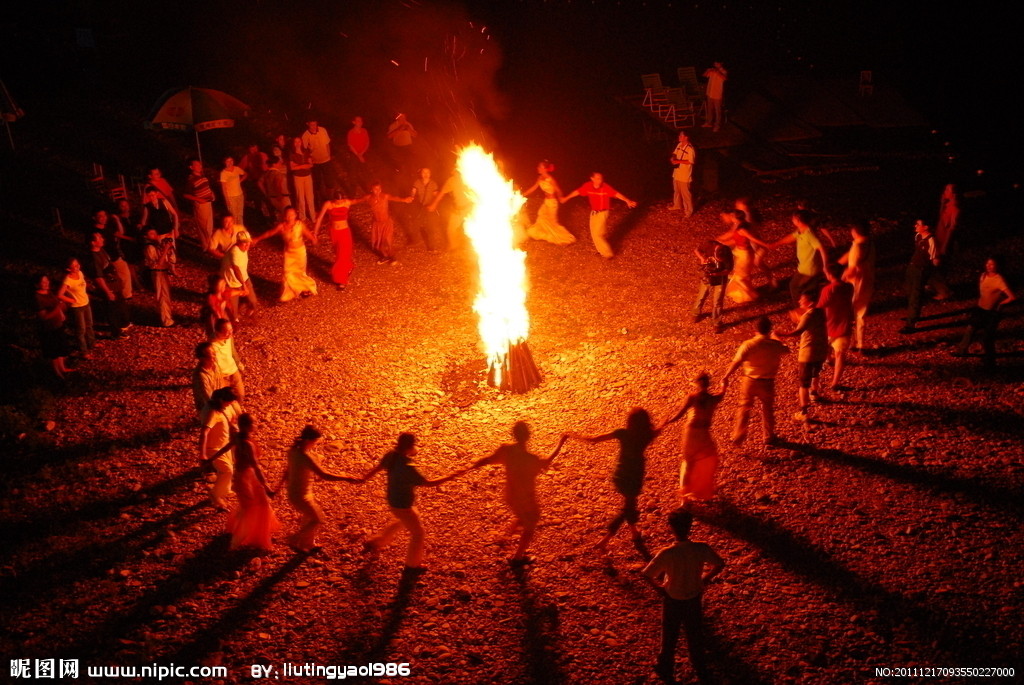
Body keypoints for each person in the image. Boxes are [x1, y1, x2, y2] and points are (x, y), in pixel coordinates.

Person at [643, 508, 724, 684]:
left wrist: (659, 589)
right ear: (690, 526)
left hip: (672, 599)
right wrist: (704, 579)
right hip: (693, 597)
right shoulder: (701, 548)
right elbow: (719, 564)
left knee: (669, 635)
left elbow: (647, 574)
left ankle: (665, 666)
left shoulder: (667, 553)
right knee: (694, 633)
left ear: (671, 528)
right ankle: (699, 666)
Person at [361, 433, 465, 571]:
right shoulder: (408, 466)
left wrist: (364, 478)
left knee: (402, 521)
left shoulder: (391, 455)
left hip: (393, 500)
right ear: (410, 447)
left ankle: (376, 542)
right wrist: (451, 476)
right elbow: (427, 483)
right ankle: (412, 565)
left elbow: (377, 468)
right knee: (418, 533)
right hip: (403, 504)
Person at [470, 422, 569, 565]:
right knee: (531, 525)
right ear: (528, 436)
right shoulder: (531, 459)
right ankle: (518, 558)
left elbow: (488, 460)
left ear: (513, 434)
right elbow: (548, 460)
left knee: (521, 516)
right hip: (526, 498)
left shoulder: (506, 450)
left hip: (510, 495)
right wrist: (561, 442)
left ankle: (507, 536)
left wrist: (473, 465)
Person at [566, 409, 660, 552]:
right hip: (634, 476)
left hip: (621, 475)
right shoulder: (646, 436)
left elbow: (594, 439)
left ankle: (634, 533)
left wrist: (574, 435)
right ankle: (604, 541)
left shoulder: (622, 433)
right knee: (627, 509)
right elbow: (657, 430)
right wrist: (665, 421)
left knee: (630, 505)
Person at [279, 425, 361, 553]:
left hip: (297, 492)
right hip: (301, 495)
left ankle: (308, 543)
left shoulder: (292, 451)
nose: (316, 444)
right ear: (308, 440)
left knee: (308, 517)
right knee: (318, 519)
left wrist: (279, 487)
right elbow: (324, 475)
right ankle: (294, 539)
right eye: (315, 441)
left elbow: (287, 471)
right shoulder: (305, 457)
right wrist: (346, 477)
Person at [723, 316, 790, 446]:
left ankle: (738, 436)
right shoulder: (775, 345)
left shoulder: (749, 344)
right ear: (769, 329)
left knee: (744, 407)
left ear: (755, 329)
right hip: (768, 382)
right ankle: (768, 437)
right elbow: (786, 349)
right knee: (767, 409)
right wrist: (775, 337)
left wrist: (726, 376)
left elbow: (736, 362)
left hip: (750, 381)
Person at [217, 413, 279, 551]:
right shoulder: (247, 444)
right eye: (254, 423)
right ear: (247, 426)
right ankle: (238, 541)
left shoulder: (237, 437)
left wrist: (211, 458)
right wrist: (266, 485)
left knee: (252, 506)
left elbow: (226, 448)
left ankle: (247, 533)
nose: (256, 425)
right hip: (248, 479)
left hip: (243, 476)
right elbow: (256, 466)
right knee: (254, 507)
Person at [663, 372, 727, 505]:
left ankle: (684, 498)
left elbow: (679, 414)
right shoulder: (714, 398)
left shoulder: (692, 397)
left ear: (697, 383)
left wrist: (666, 422)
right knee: (710, 458)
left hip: (691, 432)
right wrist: (724, 383)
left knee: (688, 462)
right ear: (709, 384)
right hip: (704, 433)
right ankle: (702, 490)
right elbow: (722, 391)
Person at [953, 258, 1015, 367]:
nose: (989, 266)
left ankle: (990, 362)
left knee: (987, 337)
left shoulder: (998, 279)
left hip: (991, 313)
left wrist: (1000, 304)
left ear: (997, 266)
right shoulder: (983, 276)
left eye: (992, 264)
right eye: (987, 264)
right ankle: (961, 350)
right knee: (970, 329)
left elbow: (1011, 297)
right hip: (980, 310)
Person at [560, 172, 637, 258]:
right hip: (593, 212)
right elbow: (577, 192)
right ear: (592, 178)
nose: (599, 181)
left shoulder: (605, 187)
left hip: (603, 212)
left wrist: (627, 201)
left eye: (600, 179)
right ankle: (601, 251)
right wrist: (566, 198)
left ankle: (608, 254)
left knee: (597, 234)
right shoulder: (588, 186)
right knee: (594, 233)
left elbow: (616, 194)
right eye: (597, 178)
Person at [781, 292, 829, 422]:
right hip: (821, 350)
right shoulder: (820, 312)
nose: (800, 302)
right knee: (816, 373)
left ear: (811, 302)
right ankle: (814, 393)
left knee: (803, 383)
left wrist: (781, 334)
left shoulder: (808, 316)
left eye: (803, 300)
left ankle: (804, 412)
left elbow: (798, 331)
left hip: (808, 352)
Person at [252, 207, 319, 301]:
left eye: (292, 214)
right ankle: (290, 292)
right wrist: (257, 239)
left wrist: (313, 239)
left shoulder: (300, 225)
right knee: (288, 273)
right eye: (288, 215)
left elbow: (308, 234)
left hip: (300, 252)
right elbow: (269, 233)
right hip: (289, 253)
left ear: (295, 215)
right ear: (285, 217)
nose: (290, 216)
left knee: (300, 272)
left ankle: (304, 288)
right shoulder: (281, 227)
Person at [771, 210, 829, 304]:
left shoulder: (809, 234)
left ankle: (799, 309)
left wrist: (825, 266)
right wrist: (776, 244)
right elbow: (792, 237)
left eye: (793, 218)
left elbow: (822, 249)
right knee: (809, 289)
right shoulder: (801, 231)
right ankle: (810, 308)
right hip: (805, 267)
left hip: (809, 268)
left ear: (798, 220)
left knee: (794, 286)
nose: (792, 219)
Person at [198, 387, 242, 510]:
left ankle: (225, 490)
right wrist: (202, 454)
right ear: (222, 399)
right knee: (227, 471)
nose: (231, 404)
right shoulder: (212, 412)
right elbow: (204, 432)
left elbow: (232, 418)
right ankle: (215, 496)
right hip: (214, 447)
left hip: (224, 443)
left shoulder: (225, 407)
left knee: (229, 468)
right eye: (230, 401)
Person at [83, 231, 130, 338]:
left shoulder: (102, 250)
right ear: (93, 242)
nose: (102, 239)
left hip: (114, 285)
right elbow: (98, 278)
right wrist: (107, 292)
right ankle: (116, 332)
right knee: (112, 310)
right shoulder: (93, 258)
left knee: (119, 307)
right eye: (99, 238)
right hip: (108, 287)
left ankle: (122, 326)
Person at [901, 219, 944, 333]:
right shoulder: (918, 236)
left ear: (926, 227)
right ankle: (912, 315)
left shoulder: (931, 240)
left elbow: (935, 260)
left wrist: (929, 273)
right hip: (912, 268)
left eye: (918, 224)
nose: (915, 226)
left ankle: (911, 324)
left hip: (920, 270)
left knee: (916, 295)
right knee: (910, 292)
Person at [838, 221, 876, 351]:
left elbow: (853, 268)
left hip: (856, 283)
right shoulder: (870, 243)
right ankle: (860, 344)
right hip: (868, 280)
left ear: (854, 232)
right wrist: (838, 262)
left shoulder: (857, 246)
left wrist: (841, 278)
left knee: (852, 312)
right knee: (861, 313)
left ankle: (848, 343)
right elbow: (852, 256)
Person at [715, 209, 766, 304]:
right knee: (740, 275)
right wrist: (723, 243)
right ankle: (744, 294)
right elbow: (736, 240)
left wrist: (766, 245)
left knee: (740, 278)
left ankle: (754, 295)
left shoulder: (742, 229)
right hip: (739, 251)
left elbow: (752, 238)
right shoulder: (740, 225)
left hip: (744, 254)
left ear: (734, 218)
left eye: (731, 216)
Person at [818, 263, 855, 391]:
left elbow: (820, 307)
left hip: (829, 324)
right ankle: (835, 383)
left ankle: (828, 361)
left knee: (826, 347)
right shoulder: (849, 287)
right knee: (839, 355)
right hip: (844, 325)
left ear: (829, 274)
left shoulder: (828, 289)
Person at [313, 190, 359, 289]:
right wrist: (315, 233)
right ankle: (347, 267)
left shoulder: (346, 202)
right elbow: (320, 218)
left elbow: (359, 200)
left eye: (341, 201)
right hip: (334, 232)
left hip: (345, 232)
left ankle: (341, 280)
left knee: (342, 255)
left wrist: (370, 196)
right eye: (337, 202)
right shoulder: (328, 204)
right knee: (339, 253)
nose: (339, 203)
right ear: (334, 199)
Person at [523, 161, 575, 246]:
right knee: (542, 217)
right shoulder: (540, 178)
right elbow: (533, 188)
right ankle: (545, 235)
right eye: (538, 167)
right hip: (546, 201)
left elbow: (558, 190)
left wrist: (561, 198)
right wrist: (522, 194)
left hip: (552, 203)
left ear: (544, 169)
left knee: (553, 222)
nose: (538, 168)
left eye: (540, 167)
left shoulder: (551, 179)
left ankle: (564, 238)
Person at [34, 273, 74, 379]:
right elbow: (44, 317)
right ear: (37, 284)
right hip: (48, 328)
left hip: (58, 325)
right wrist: (58, 309)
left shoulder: (49, 293)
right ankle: (57, 374)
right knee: (53, 351)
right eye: (43, 282)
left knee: (60, 348)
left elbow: (57, 304)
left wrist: (61, 312)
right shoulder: (37, 298)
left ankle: (63, 368)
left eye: (47, 281)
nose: (46, 283)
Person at [363, 182, 413, 265]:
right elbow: (356, 200)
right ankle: (385, 256)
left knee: (387, 241)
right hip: (377, 223)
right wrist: (345, 202)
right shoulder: (368, 198)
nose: (378, 191)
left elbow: (395, 198)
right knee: (378, 242)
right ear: (371, 190)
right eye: (375, 189)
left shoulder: (384, 196)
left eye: (379, 188)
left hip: (386, 222)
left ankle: (393, 258)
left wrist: (404, 200)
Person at [734, 198, 777, 289]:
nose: (736, 206)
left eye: (738, 205)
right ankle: (770, 281)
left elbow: (750, 235)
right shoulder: (743, 216)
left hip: (753, 245)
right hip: (750, 245)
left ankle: (770, 282)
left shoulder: (746, 218)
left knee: (753, 264)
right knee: (753, 265)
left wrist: (765, 245)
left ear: (744, 206)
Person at [692, 239, 732, 333]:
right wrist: (702, 258)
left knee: (717, 301)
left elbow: (728, 270)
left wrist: (716, 275)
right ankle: (695, 313)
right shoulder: (708, 245)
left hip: (720, 277)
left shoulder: (727, 253)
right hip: (707, 275)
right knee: (702, 295)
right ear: (714, 253)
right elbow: (696, 250)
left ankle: (716, 322)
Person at [57, 258, 95, 358]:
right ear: (68, 269)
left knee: (89, 325)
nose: (77, 266)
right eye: (74, 266)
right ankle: (84, 351)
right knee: (81, 329)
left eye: (77, 264)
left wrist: (87, 289)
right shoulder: (68, 280)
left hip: (86, 303)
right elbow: (60, 294)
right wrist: (71, 300)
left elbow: (82, 284)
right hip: (77, 307)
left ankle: (91, 343)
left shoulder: (80, 273)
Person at [429, 169, 471, 251]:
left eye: (452, 169)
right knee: (451, 229)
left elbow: (441, 194)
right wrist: (433, 205)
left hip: (470, 209)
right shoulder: (452, 180)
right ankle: (454, 246)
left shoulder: (468, 177)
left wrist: (433, 205)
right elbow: (442, 193)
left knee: (454, 229)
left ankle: (465, 248)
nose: (451, 171)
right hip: (459, 209)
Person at [142, 227, 176, 327]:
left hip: (163, 272)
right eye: (151, 234)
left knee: (166, 296)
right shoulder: (149, 248)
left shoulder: (158, 246)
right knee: (162, 297)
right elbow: (157, 263)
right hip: (157, 273)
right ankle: (166, 320)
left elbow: (171, 261)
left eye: (155, 233)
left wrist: (169, 251)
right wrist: (165, 250)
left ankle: (168, 317)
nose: (155, 236)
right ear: (146, 237)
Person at [98, 206, 134, 302]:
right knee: (111, 279)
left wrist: (117, 220)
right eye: (100, 216)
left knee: (125, 273)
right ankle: (113, 296)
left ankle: (127, 295)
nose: (103, 218)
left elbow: (120, 233)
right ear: (95, 218)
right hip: (104, 259)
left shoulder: (108, 227)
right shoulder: (95, 232)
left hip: (115, 255)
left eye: (104, 215)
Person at [221, 230, 258, 319]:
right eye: (244, 243)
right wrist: (244, 285)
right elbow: (236, 269)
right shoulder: (235, 251)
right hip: (232, 282)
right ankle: (234, 320)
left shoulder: (244, 248)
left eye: (248, 242)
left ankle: (246, 312)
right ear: (238, 242)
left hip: (244, 278)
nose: (247, 245)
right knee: (233, 311)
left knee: (253, 302)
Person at [183, 158, 215, 251]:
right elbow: (186, 194)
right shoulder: (191, 180)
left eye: (200, 164)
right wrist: (198, 199)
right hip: (201, 205)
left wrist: (212, 194)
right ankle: (207, 245)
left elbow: (207, 188)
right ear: (191, 167)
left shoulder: (203, 177)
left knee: (209, 224)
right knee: (204, 226)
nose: (199, 166)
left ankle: (206, 245)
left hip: (208, 203)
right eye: (196, 165)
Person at [209, 318, 245, 401]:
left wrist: (238, 363)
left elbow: (233, 351)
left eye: (231, 330)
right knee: (226, 399)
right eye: (226, 332)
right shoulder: (212, 345)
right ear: (218, 332)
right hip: (222, 375)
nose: (230, 334)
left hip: (233, 369)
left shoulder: (229, 337)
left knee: (240, 394)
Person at [301, 119, 333, 205]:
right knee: (318, 182)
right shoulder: (305, 136)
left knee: (329, 180)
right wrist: (309, 157)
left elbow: (327, 143)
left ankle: (330, 199)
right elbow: (305, 150)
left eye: (315, 124)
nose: (314, 127)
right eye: (311, 125)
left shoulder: (322, 130)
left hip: (326, 159)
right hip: (315, 162)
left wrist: (329, 155)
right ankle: (320, 201)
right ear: (307, 124)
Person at [409, 167, 441, 251]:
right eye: (424, 172)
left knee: (431, 226)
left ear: (430, 174)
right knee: (416, 223)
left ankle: (432, 247)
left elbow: (436, 195)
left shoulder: (433, 183)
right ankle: (415, 241)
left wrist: (435, 204)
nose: (426, 174)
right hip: (421, 206)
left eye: (427, 172)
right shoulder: (417, 182)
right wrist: (411, 197)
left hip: (430, 206)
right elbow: (413, 191)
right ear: (421, 174)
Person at [191, 341, 227, 416]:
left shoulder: (214, 365)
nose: (215, 356)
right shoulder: (200, 376)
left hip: (219, 402)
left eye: (215, 353)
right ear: (202, 358)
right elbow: (208, 398)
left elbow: (221, 383)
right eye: (212, 354)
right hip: (209, 408)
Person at [289, 136, 316, 222]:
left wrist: (298, 166)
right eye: (295, 142)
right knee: (300, 197)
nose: (297, 144)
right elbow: (292, 168)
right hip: (298, 177)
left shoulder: (306, 151)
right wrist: (304, 166)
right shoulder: (292, 154)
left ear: (301, 142)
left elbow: (311, 165)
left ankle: (313, 217)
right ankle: (302, 217)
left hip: (307, 176)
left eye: (299, 141)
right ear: (293, 143)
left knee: (310, 197)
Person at [239, 144, 270, 218]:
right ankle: (259, 216)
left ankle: (271, 215)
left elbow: (267, 167)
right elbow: (240, 169)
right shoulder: (247, 158)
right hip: (254, 182)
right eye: (251, 148)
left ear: (257, 147)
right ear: (249, 149)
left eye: (255, 147)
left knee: (267, 198)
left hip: (264, 180)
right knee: (257, 200)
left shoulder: (263, 155)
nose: (253, 149)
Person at [670, 131, 695, 217]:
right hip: (677, 173)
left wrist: (678, 161)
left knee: (686, 195)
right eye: (680, 135)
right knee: (676, 191)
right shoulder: (679, 145)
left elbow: (691, 161)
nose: (679, 136)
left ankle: (688, 211)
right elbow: (674, 153)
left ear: (686, 137)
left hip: (684, 175)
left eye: (681, 135)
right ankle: (677, 205)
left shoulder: (690, 149)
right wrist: (673, 158)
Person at [259, 155, 291, 221]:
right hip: (282, 197)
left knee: (279, 215)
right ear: (274, 164)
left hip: (272, 197)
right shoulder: (278, 174)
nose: (280, 164)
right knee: (286, 215)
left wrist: (266, 193)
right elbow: (278, 184)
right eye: (279, 162)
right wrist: (279, 195)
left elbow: (259, 183)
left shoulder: (266, 173)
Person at [346, 115, 370, 195]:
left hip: (364, 154)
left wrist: (362, 153)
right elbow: (350, 145)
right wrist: (358, 155)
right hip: (354, 154)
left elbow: (367, 143)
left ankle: (367, 190)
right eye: (358, 121)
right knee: (353, 173)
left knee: (364, 172)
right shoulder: (351, 132)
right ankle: (353, 191)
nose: (360, 122)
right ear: (354, 122)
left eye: (361, 121)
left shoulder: (364, 131)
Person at [935, 183, 959, 260]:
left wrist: (944, 246)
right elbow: (941, 216)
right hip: (938, 239)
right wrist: (942, 203)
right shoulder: (947, 205)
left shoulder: (955, 209)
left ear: (954, 194)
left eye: (947, 190)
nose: (945, 191)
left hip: (943, 242)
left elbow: (951, 229)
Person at [702, 62, 728, 132]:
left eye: (717, 63)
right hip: (710, 92)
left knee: (717, 110)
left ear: (720, 64)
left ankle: (717, 125)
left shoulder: (723, 71)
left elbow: (725, 78)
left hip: (717, 94)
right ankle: (709, 122)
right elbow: (704, 75)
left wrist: (717, 72)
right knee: (709, 109)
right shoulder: (712, 71)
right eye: (715, 64)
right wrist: (708, 70)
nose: (715, 65)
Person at [219, 156, 247, 222]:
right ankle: (234, 230)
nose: (230, 162)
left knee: (240, 214)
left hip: (240, 195)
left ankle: (240, 229)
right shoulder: (223, 173)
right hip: (231, 196)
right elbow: (223, 187)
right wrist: (226, 199)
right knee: (233, 215)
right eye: (228, 161)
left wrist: (240, 180)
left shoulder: (237, 169)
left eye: (231, 161)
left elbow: (245, 174)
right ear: (225, 163)